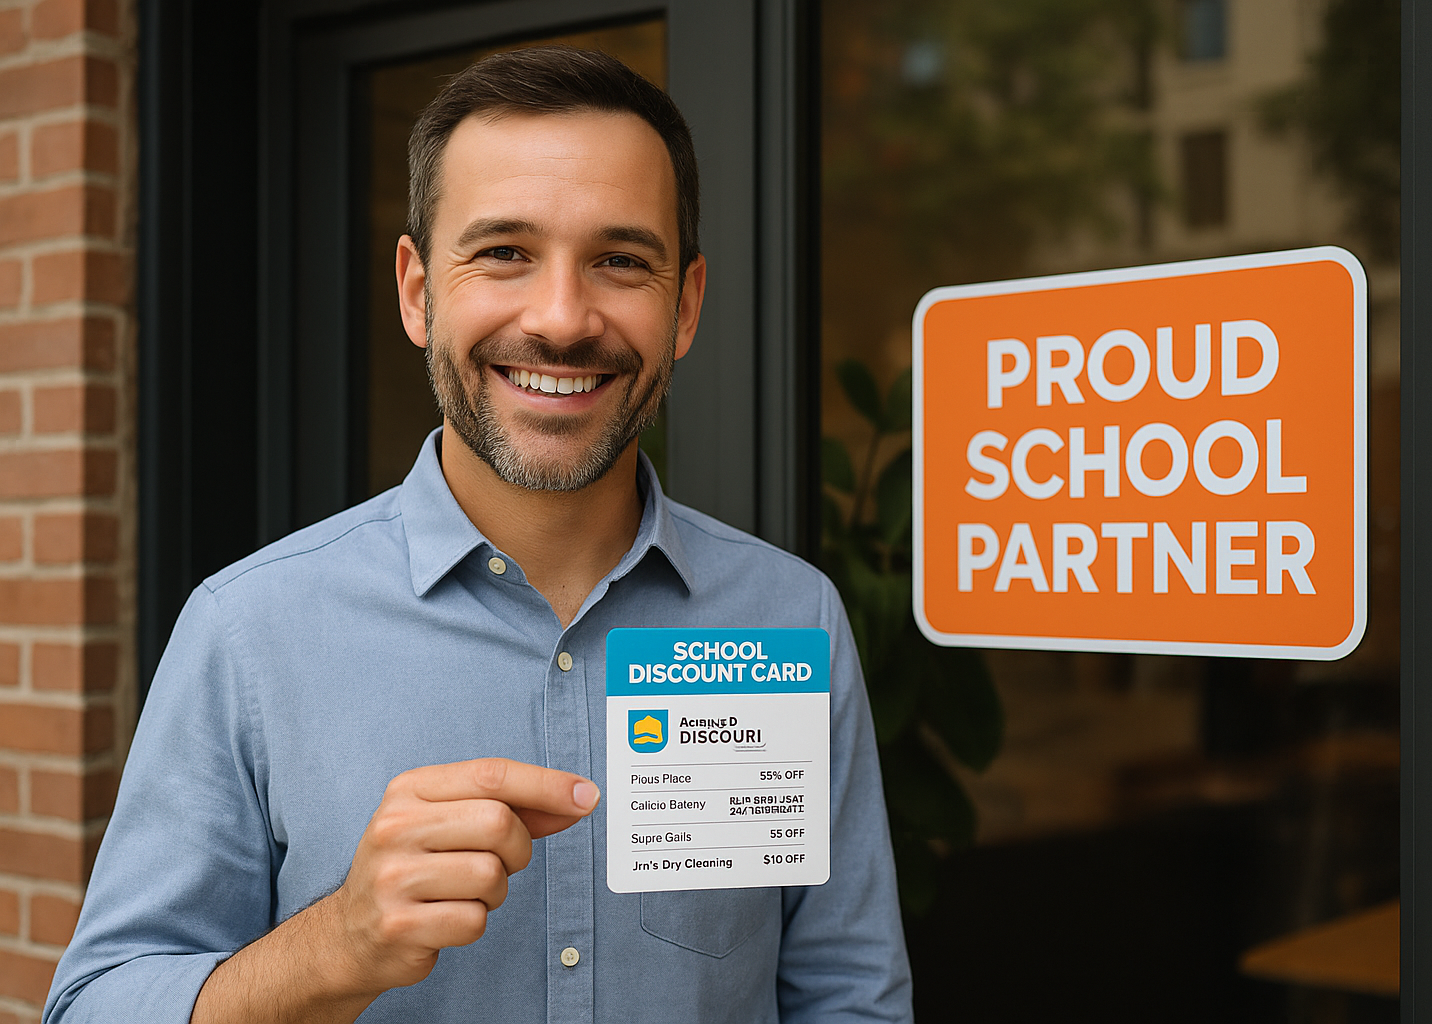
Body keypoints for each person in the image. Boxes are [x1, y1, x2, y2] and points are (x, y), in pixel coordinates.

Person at [42, 45, 911, 1024]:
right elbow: (93, 1005)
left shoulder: (790, 616)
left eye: (621, 261)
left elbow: (847, 996)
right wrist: (337, 947)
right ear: (417, 290)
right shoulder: (250, 631)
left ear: (688, 306)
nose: (561, 318)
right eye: (504, 252)